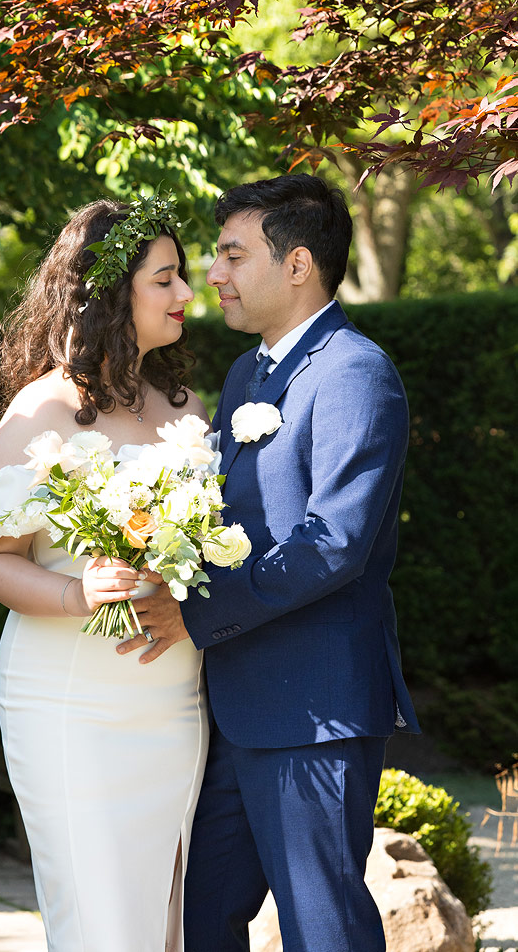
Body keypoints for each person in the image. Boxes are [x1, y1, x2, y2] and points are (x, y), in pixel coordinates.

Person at [118, 173, 420, 952]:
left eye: (230, 255)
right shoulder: (247, 373)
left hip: (310, 709)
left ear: (296, 266)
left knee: (321, 929)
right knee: (201, 918)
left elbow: (333, 544)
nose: (211, 275)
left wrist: (192, 615)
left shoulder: (354, 372)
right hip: (228, 705)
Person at [0, 196, 211, 952]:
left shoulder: (183, 406)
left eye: (182, 277)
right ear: (112, 292)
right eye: (165, 279)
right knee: (100, 921)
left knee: (170, 920)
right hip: (71, 701)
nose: (186, 294)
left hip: (173, 697)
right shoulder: (42, 411)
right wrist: (75, 592)